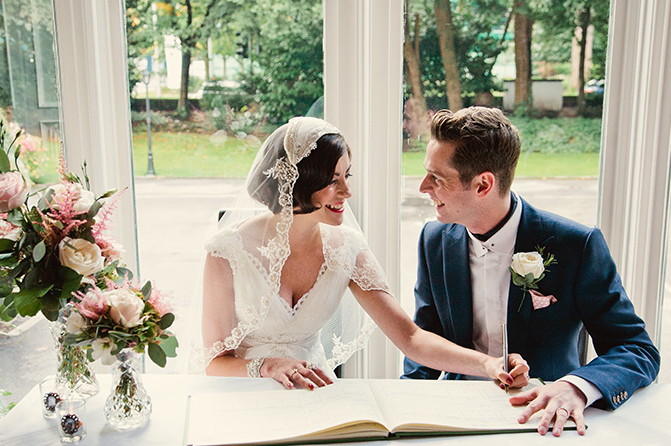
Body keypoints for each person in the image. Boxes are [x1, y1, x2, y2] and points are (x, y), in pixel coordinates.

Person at [195, 116, 528, 391]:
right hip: (242, 394)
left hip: (314, 394)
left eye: (347, 175)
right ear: (300, 181)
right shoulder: (227, 251)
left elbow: (411, 338)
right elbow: (214, 362)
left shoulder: (348, 249)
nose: (347, 191)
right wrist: (267, 367)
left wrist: (489, 364)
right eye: (333, 180)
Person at [401, 106, 661, 436]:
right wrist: (403, 411)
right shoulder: (434, 239)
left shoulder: (575, 245)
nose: (423, 187)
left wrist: (576, 387)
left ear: (483, 185)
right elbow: (426, 339)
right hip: (455, 412)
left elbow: (637, 348)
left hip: (546, 421)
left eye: (437, 178)